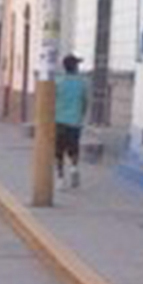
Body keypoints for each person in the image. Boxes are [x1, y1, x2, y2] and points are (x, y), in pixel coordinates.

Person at [54, 54, 88, 190]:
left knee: (59, 151)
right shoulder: (81, 83)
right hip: (75, 121)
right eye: (77, 65)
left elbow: (52, 100)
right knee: (74, 147)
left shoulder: (58, 82)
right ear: (74, 67)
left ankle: (60, 178)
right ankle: (74, 168)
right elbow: (85, 102)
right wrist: (81, 115)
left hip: (59, 121)